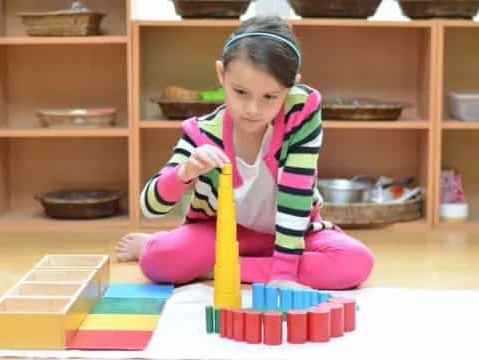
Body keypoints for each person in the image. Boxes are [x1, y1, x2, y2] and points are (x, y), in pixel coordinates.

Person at [115, 16, 374, 290]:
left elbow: (296, 191)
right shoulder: (202, 133)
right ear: (221, 75)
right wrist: (186, 172)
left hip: (293, 234)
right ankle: (170, 247)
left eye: (270, 97)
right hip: (221, 233)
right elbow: (150, 205)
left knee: (356, 262)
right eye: (240, 92)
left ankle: (219, 268)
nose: (252, 109)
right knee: (157, 261)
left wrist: (283, 275)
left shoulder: (302, 109)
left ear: (291, 87)